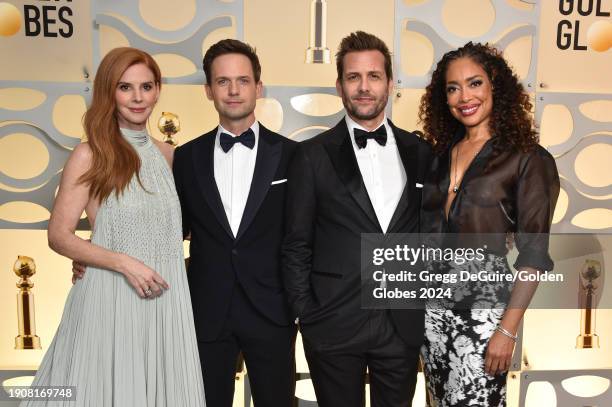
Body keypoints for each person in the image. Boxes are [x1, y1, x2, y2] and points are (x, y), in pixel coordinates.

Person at [24, 47, 206, 406]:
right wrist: (122, 262)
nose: (138, 98)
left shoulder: (171, 156)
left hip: (166, 302)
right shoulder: (90, 154)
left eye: (146, 86)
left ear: (157, 90)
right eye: (125, 87)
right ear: (109, 92)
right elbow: (58, 235)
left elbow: (175, 229)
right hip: (111, 298)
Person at [282, 31, 431, 407]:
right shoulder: (311, 155)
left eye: (374, 76)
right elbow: (296, 243)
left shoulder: (421, 152)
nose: (364, 87)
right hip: (332, 323)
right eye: (353, 77)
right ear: (339, 86)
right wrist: (308, 315)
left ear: (390, 84)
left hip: (401, 325)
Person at [418, 42, 560, 406]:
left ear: (496, 87)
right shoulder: (437, 155)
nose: (464, 96)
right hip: (431, 318)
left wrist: (507, 331)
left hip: (485, 322)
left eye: (475, 83)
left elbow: (533, 256)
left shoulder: (528, 159)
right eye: (453, 88)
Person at [172, 39, 298, 407]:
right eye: (223, 81)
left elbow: (303, 234)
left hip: (272, 308)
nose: (233, 90)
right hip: (207, 309)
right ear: (208, 90)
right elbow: (172, 231)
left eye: (242, 81)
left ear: (258, 87)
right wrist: (103, 258)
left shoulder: (292, 156)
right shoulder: (186, 157)